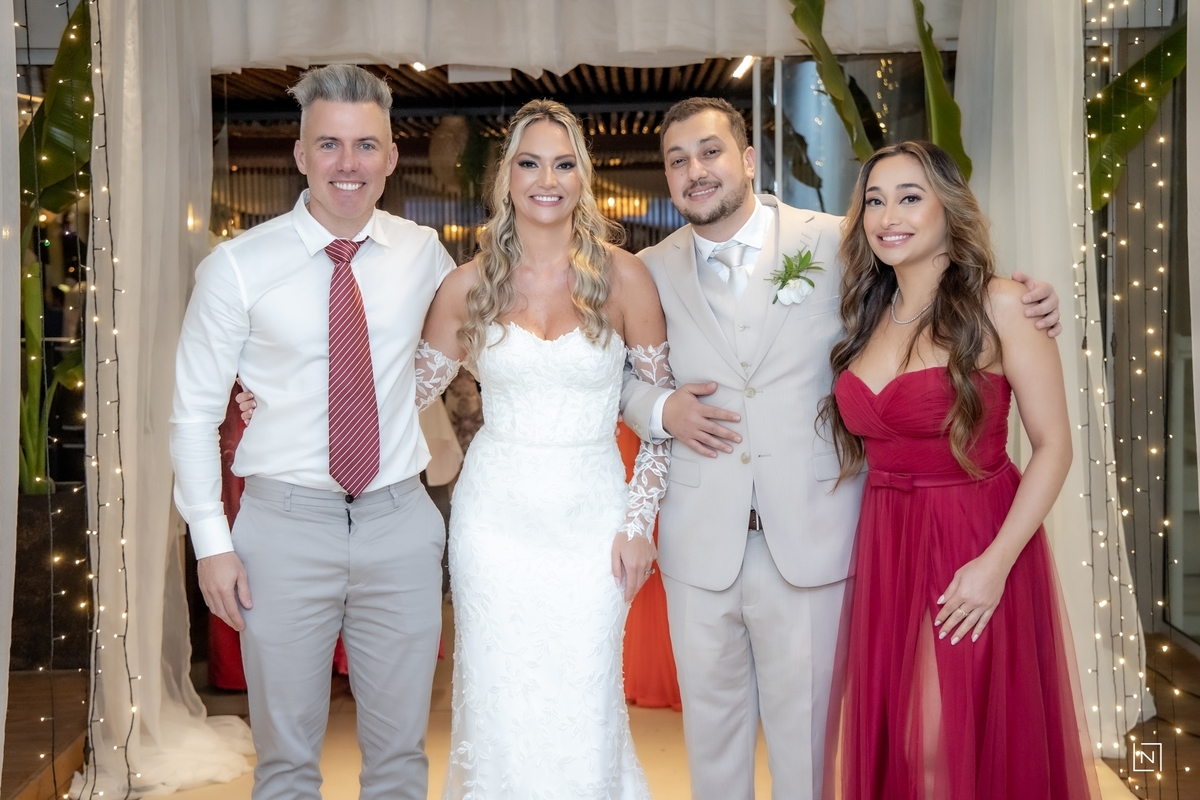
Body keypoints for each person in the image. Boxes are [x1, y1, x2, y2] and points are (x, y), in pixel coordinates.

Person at [618, 99, 1064, 800]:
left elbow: (947, 285)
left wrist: (1033, 296)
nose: (695, 170)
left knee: (821, 749)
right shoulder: (645, 270)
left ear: (748, 160)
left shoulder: (842, 242)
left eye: (710, 152)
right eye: (678, 160)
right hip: (699, 541)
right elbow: (609, 375)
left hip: (819, 537)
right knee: (711, 745)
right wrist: (659, 408)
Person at [169, 65, 455, 800]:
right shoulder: (236, 267)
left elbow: (471, 347)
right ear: (300, 154)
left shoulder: (425, 254)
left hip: (400, 522)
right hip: (282, 528)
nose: (347, 163)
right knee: (287, 765)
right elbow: (193, 412)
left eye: (365, 145)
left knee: (401, 760)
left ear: (392, 157)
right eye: (329, 144)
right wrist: (211, 542)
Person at [817, 141, 1098, 799]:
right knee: (902, 744)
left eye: (910, 197)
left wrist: (995, 565)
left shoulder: (1003, 304)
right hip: (888, 541)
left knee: (942, 745)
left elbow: (1054, 445)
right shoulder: (867, 313)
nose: (889, 216)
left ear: (949, 208)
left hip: (971, 539)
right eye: (875, 201)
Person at [419, 99, 669, 797]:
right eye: (530, 163)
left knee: (586, 693)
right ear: (506, 178)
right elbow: (398, 397)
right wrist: (281, 396)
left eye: (563, 164)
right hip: (494, 522)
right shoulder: (467, 286)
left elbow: (662, 417)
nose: (546, 179)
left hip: (593, 519)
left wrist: (638, 523)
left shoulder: (625, 278)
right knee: (499, 698)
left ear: (583, 177)